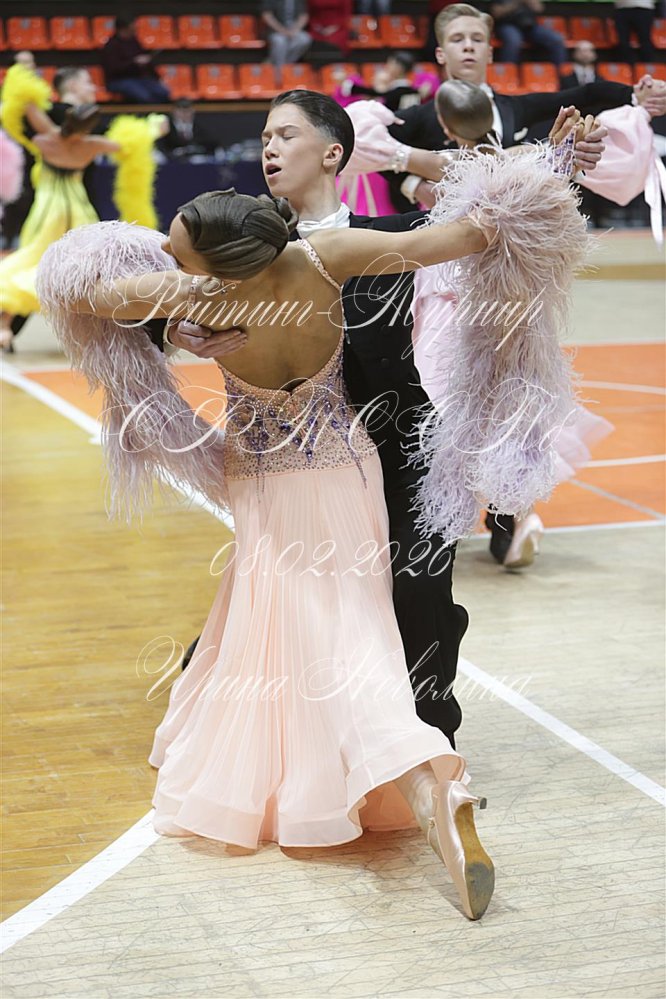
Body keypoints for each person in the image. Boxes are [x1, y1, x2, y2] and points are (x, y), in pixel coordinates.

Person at [38, 110, 588, 916]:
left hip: (269, 488)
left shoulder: (196, 291)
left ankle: (412, 776)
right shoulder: (326, 257)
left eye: (177, 248)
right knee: (355, 632)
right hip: (348, 478)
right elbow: (465, 236)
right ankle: (427, 790)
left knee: (305, 639)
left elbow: (80, 288)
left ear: (209, 260)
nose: (169, 257)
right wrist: (547, 167)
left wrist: (179, 311)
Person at [383, 3, 666, 214]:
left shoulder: (515, 107)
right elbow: (373, 144)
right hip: (444, 242)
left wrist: (634, 94)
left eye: (477, 39)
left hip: (508, 239)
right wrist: (414, 186)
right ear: (440, 53)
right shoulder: (420, 115)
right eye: (457, 39)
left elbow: (587, 93)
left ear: (490, 53)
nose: (468, 46)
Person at [0, 63, 165, 349]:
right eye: (87, 81)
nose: (92, 87)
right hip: (77, 205)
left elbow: (28, 109)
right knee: (88, 266)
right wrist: (152, 129)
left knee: (35, 257)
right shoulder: (91, 143)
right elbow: (124, 145)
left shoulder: (45, 137)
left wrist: (21, 75)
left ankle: (5, 325)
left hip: (49, 207)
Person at [101, 15, 171, 104]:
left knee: (163, 93)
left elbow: (146, 61)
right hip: (118, 80)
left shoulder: (134, 42)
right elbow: (113, 69)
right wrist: (133, 63)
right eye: (133, 25)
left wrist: (158, 78)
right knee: (145, 96)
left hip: (138, 78)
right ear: (124, 28)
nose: (136, 28)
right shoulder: (111, 45)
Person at [490, 0, 567, 67]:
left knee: (556, 39)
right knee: (513, 40)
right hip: (507, 25)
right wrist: (516, 3)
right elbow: (496, 13)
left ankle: (560, 75)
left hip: (529, 26)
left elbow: (539, 8)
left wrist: (530, 2)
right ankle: (507, 74)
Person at [339, 52, 421, 113]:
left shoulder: (398, 91)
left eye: (391, 63)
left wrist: (350, 86)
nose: (387, 66)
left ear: (399, 68)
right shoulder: (412, 90)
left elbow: (380, 94)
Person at [261, 0, 312, 84]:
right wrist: (282, 30)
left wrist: (295, 29)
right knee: (280, 42)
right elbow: (267, 16)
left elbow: (303, 16)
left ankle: (277, 64)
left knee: (304, 39)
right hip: (276, 30)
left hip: (294, 30)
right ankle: (279, 75)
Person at [613, 0, 656, 64]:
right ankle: (626, 66)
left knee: (645, 40)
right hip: (622, 8)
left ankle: (646, 65)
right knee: (622, 41)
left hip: (644, 8)